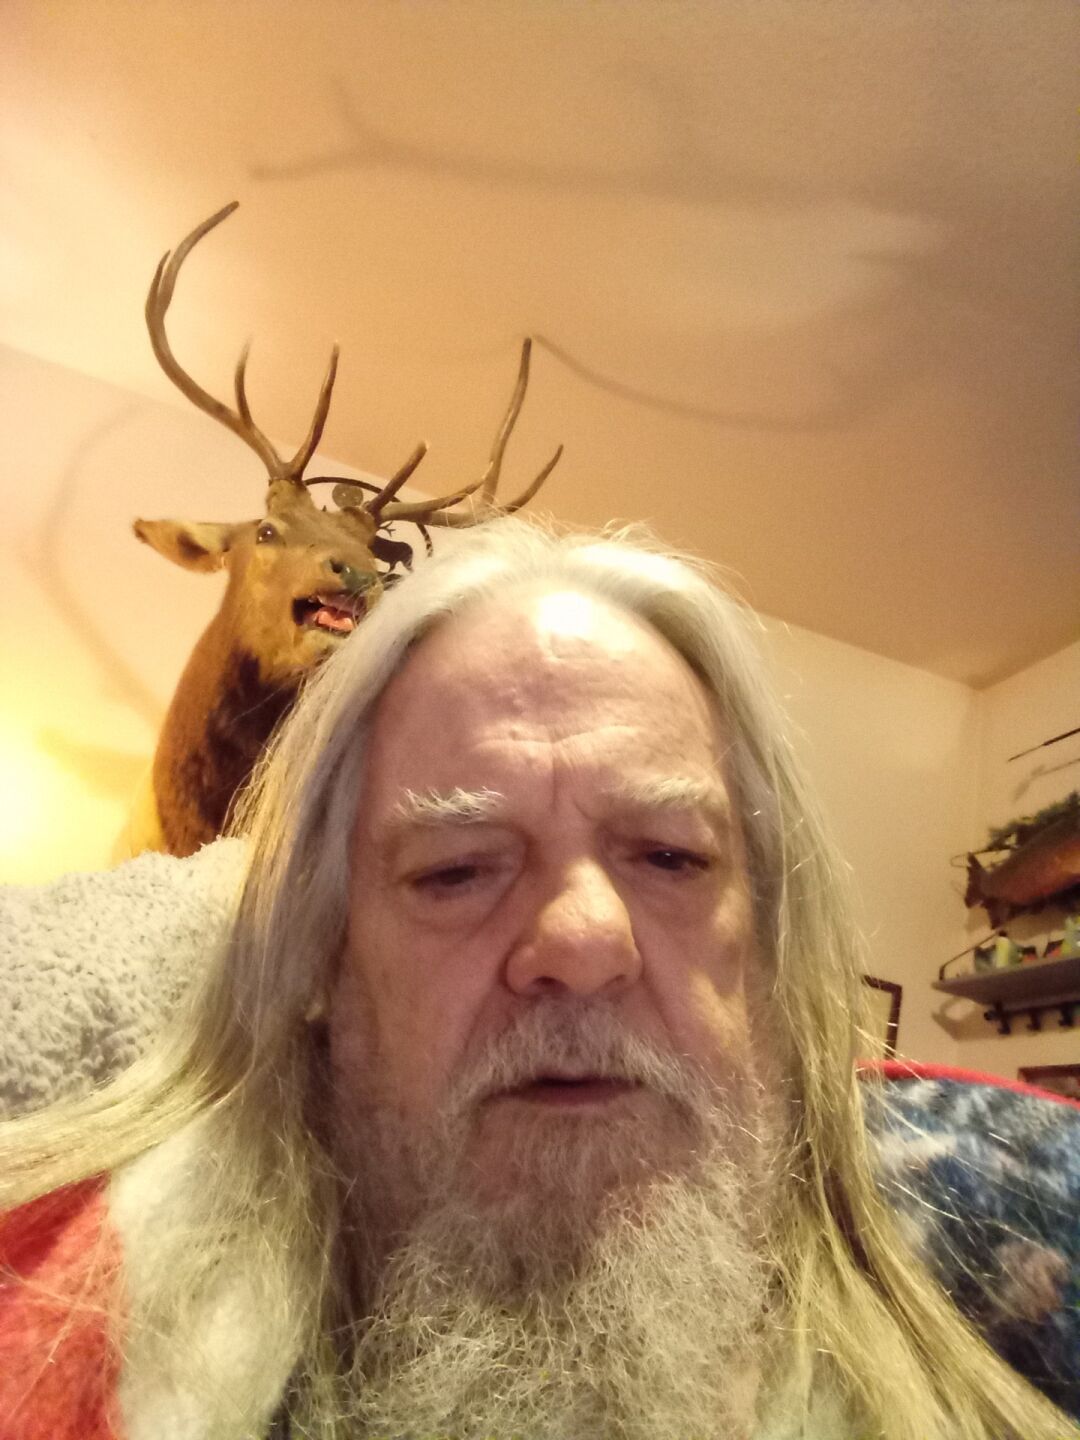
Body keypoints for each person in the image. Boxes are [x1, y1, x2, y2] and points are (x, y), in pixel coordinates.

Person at [0, 519, 1076, 1440]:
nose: (585, 940)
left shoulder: (1014, 1213)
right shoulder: (59, 1312)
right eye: (457, 870)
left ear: (764, 951)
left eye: (671, 857)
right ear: (324, 958)